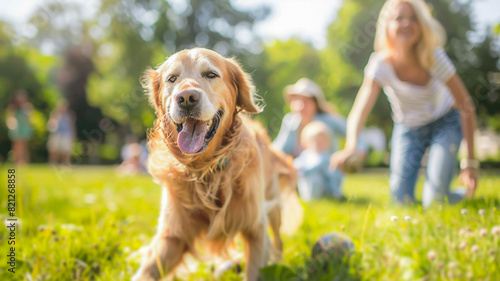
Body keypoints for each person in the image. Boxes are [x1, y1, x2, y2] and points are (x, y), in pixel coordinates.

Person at [331, 0, 478, 207]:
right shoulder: (380, 64)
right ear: (387, 26)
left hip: (445, 122)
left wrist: (470, 163)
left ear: (423, 25)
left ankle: (461, 194)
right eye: (399, 18)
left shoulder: (434, 57)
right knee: (400, 201)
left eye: (413, 18)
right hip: (409, 128)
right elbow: (360, 108)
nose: (406, 24)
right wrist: (351, 145)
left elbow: (467, 106)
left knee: (435, 200)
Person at [273, 78, 366, 200]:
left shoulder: (328, 121)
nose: (300, 106)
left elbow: (355, 134)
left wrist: (353, 152)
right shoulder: (290, 121)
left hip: (327, 173)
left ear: (315, 104)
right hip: (299, 172)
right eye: (297, 100)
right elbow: (279, 148)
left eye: (306, 101)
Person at [293, 121, 341, 201]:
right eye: (317, 142)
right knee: (309, 178)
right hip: (309, 184)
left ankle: (334, 194)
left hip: (326, 185)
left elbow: (317, 166)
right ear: (306, 144)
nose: (320, 144)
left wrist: (304, 171)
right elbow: (297, 163)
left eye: (323, 141)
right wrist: (296, 168)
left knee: (326, 176)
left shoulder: (326, 156)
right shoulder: (306, 154)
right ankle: (309, 197)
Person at [6, 90, 33, 165]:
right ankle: (16, 162)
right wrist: (11, 124)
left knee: (24, 146)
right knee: (16, 146)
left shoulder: (27, 106)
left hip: (24, 128)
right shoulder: (13, 107)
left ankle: (25, 162)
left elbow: (29, 117)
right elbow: (10, 118)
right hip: (16, 128)